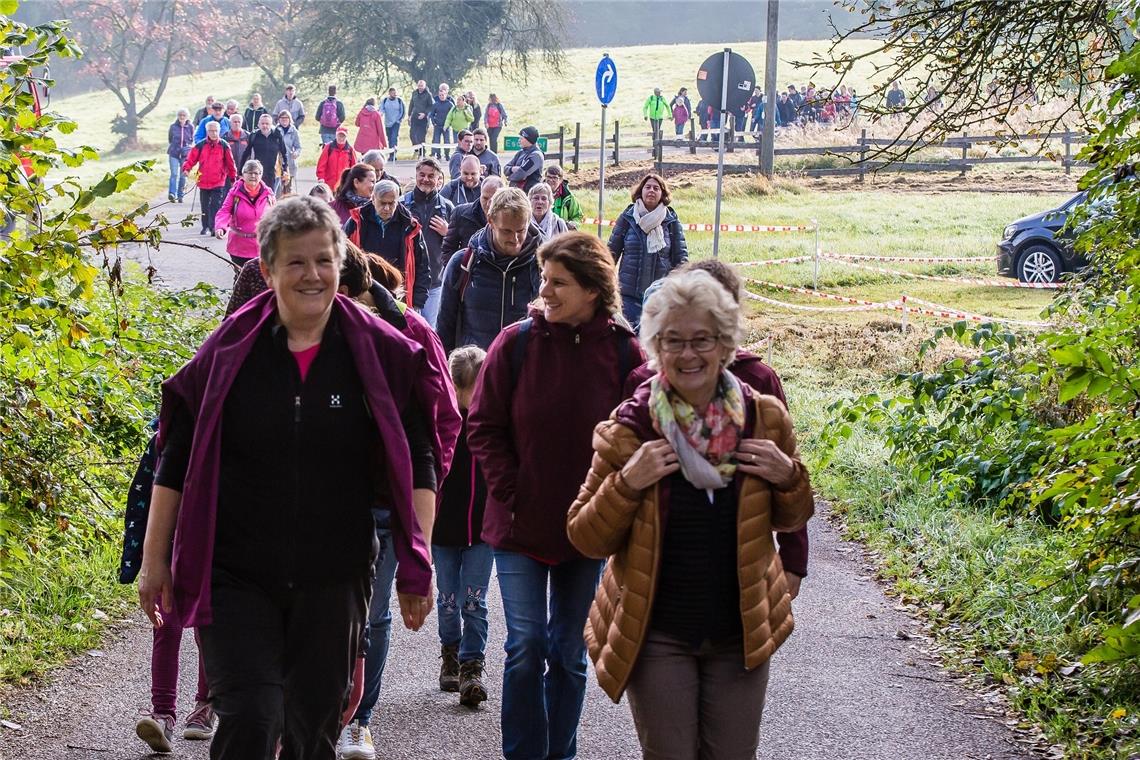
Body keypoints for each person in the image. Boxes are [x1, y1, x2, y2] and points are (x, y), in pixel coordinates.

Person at [139, 196, 458, 760]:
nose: (312, 274)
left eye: (324, 260)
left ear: (340, 262)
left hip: (333, 576)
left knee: (312, 730)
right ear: (267, 269)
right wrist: (154, 558)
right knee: (252, 718)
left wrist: (418, 557)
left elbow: (420, 458)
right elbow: (177, 453)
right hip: (235, 571)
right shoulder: (232, 349)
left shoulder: (382, 352)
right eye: (295, 261)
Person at [566, 269, 814, 759]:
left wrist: (788, 476)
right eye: (672, 341)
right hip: (658, 630)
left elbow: (790, 517)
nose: (687, 354)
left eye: (701, 339)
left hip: (739, 629)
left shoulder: (765, 418)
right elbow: (584, 536)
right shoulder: (630, 428)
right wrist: (627, 483)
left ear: (726, 345)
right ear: (656, 349)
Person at [467, 231, 643, 760]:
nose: (545, 290)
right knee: (526, 647)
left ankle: (559, 754)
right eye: (544, 278)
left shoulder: (621, 350)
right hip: (520, 526)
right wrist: (512, 490)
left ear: (593, 289)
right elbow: (483, 425)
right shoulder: (515, 343)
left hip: (587, 530)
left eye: (558, 281)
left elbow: (635, 434)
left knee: (568, 652)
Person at [332, 245, 458, 760]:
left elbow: (440, 424)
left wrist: (418, 504)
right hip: (328, 500)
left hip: (386, 501)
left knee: (374, 614)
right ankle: (316, 713)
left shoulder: (409, 335)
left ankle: (358, 721)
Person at [625, 259, 811, 598]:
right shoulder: (644, 386)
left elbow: (785, 466)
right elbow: (613, 482)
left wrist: (794, 558)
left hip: (740, 568)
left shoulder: (759, 380)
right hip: (657, 568)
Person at [121, 427, 214, 753]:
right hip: (169, 547)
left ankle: (205, 705)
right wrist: (145, 558)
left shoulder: (228, 431)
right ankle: (162, 713)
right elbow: (143, 495)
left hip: (215, 548)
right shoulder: (166, 438)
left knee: (209, 627)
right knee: (166, 624)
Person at [431, 345, 493, 709]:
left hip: (482, 533)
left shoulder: (492, 422)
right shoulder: (442, 421)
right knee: (448, 600)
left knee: (475, 601)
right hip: (443, 533)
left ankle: (473, 666)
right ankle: (450, 653)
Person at [437, 187, 541, 354]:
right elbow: (444, 327)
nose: (515, 240)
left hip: (524, 371)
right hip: (476, 372)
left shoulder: (544, 265)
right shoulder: (463, 263)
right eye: (506, 231)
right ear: (491, 221)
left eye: (521, 231)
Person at [608, 172, 688, 325]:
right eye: (648, 187)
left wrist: (676, 285)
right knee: (630, 341)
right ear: (641, 191)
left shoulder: (671, 221)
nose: (651, 190)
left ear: (662, 194)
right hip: (629, 295)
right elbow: (610, 254)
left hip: (660, 295)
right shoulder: (627, 218)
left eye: (656, 188)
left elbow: (681, 259)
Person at [344, 179, 430, 310]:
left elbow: (422, 265)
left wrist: (418, 302)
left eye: (391, 203)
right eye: (382, 203)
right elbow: (343, 256)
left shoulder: (410, 227)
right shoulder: (356, 222)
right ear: (373, 199)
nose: (387, 208)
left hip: (399, 295)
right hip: (363, 294)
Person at [400, 157, 454, 327]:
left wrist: (447, 233)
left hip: (435, 284)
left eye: (431, 176)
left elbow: (459, 247)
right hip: (406, 281)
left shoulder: (448, 207)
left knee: (431, 330)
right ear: (415, 175)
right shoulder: (402, 206)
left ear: (439, 179)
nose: (426, 179)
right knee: (408, 330)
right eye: (422, 175)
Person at [215, 159, 276, 269]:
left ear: (261, 175)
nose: (253, 176)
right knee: (242, 279)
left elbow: (276, 216)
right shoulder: (234, 193)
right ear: (243, 175)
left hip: (262, 246)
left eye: (256, 173)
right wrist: (220, 227)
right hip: (239, 247)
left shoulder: (269, 194)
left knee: (262, 281)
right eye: (249, 172)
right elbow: (224, 211)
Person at [182, 120, 236, 236]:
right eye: (211, 131)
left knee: (215, 205)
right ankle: (205, 226)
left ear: (219, 131)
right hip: (203, 181)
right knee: (204, 205)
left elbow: (230, 163)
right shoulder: (200, 145)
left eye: (216, 131)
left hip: (218, 181)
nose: (213, 133)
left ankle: (213, 227)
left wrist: (232, 178)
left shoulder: (224, 145)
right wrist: (186, 169)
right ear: (207, 131)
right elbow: (191, 159)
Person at [441, 175, 502, 260]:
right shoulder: (460, 213)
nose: (488, 204)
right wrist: (457, 270)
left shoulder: (508, 219)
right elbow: (448, 249)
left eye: (493, 199)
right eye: (485, 198)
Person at [241, 113, 289, 192]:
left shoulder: (277, 135)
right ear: (259, 124)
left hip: (274, 173)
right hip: (257, 173)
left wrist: (285, 170)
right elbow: (246, 153)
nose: (265, 126)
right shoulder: (254, 136)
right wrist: (241, 171)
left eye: (267, 124)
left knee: (271, 196)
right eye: (262, 124)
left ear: (271, 124)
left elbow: (284, 153)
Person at [503, 126, 544, 192]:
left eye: (521, 139)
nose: (519, 141)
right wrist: (512, 169)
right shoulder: (520, 152)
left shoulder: (536, 156)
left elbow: (521, 174)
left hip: (530, 192)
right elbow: (505, 168)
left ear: (528, 140)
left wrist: (509, 178)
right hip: (515, 190)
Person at [166, 108, 194, 203]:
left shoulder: (190, 127)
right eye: (180, 115)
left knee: (183, 175)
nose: (182, 117)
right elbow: (170, 139)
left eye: (184, 115)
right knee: (174, 174)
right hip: (174, 153)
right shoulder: (173, 127)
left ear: (187, 117)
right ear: (178, 116)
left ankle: (180, 195)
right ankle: (172, 194)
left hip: (185, 154)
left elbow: (191, 140)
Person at [276, 110, 303, 194]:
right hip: (278, 162)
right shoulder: (275, 130)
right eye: (282, 118)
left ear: (289, 119)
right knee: (278, 187)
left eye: (286, 118)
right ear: (279, 119)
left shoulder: (293, 130)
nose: (284, 120)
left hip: (290, 161)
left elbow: (298, 147)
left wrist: (296, 153)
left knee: (288, 188)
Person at [223, 114, 249, 194]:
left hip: (245, 170)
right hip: (228, 172)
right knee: (228, 194)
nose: (237, 123)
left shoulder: (248, 136)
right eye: (234, 122)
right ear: (230, 123)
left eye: (239, 122)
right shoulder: (225, 137)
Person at [429, 83, 456, 159]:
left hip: (446, 126)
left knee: (447, 141)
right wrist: (433, 122)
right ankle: (438, 155)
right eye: (440, 95)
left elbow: (453, 114)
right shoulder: (436, 104)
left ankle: (447, 155)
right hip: (437, 125)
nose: (442, 96)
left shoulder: (450, 104)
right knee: (436, 140)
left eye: (443, 95)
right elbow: (432, 114)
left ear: (446, 95)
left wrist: (450, 123)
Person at [445, 103, 475, 169]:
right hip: (455, 128)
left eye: (471, 142)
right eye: (466, 141)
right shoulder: (457, 157)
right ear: (459, 141)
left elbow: (472, 118)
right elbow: (456, 176)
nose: (469, 144)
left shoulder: (468, 155)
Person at [409, 80, 434, 156]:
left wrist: (425, 114)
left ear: (424, 86)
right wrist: (409, 115)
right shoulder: (414, 93)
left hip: (424, 118)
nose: (420, 87)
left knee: (421, 136)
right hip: (415, 117)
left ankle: (422, 152)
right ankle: (416, 149)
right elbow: (411, 104)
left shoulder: (428, 94)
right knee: (412, 134)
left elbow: (431, 106)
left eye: (422, 86)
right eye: (419, 85)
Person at [380, 87, 405, 159]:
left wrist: (399, 120)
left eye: (395, 93)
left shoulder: (399, 101)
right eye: (393, 93)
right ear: (389, 93)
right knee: (389, 138)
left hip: (396, 122)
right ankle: (391, 153)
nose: (394, 94)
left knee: (394, 137)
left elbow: (403, 111)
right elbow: (382, 109)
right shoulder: (385, 100)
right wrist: (380, 114)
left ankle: (393, 155)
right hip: (388, 122)